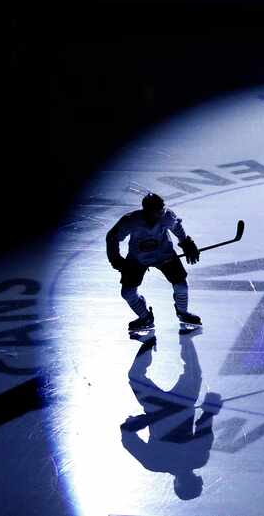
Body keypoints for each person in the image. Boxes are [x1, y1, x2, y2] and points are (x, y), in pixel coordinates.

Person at [121, 334, 222, 500]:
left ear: (196, 480)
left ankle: (185, 338)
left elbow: (204, 429)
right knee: (136, 376)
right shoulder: (154, 464)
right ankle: (151, 341)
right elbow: (127, 435)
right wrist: (145, 420)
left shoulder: (198, 460)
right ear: (176, 484)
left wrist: (210, 409)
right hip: (157, 408)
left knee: (192, 373)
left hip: (181, 405)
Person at [106, 192, 202, 330]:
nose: (161, 214)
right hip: (137, 259)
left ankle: (183, 312)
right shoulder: (131, 221)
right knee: (127, 292)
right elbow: (112, 237)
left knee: (181, 286)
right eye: (157, 212)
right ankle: (145, 317)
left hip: (164, 255)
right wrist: (115, 259)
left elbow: (177, 228)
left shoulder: (166, 216)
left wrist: (186, 242)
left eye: (162, 210)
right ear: (147, 211)